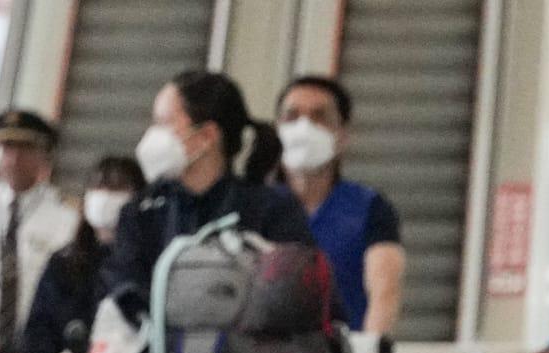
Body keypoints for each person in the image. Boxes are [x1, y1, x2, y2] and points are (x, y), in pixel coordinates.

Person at [103, 70, 311, 305]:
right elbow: (125, 287)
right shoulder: (141, 211)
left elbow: (294, 294)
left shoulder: (272, 210)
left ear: (206, 136)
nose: (152, 136)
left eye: (163, 124)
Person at [275, 74, 406, 334]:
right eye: (292, 116)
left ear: (342, 135)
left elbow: (385, 291)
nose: (304, 127)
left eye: (319, 117)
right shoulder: (252, 207)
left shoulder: (369, 209)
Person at [0, 109, 80, 353]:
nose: (14, 158)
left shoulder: (66, 218)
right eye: (6, 148)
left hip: (34, 352)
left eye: (25, 149)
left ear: (45, 154)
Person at [20, 155, 148, 353]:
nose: (105, 196)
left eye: (117, 188)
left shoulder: (147, 264)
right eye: (98, 187)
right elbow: (39, 325)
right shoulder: (63, 263)